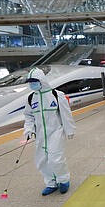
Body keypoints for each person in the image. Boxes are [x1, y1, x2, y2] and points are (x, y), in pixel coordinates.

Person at [23, 67, 76, 196]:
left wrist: (69, 130)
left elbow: (66, 114)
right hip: (40, 135)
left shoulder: (56, 95)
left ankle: (63, 180)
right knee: (42, 160)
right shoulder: (31, 98)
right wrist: (28, 129)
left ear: (42, 80)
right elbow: (28, 116)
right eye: (30, 82)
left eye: (34, 81)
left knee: (55, 159)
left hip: (55, 133)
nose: (32, 84)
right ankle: (51, 183)